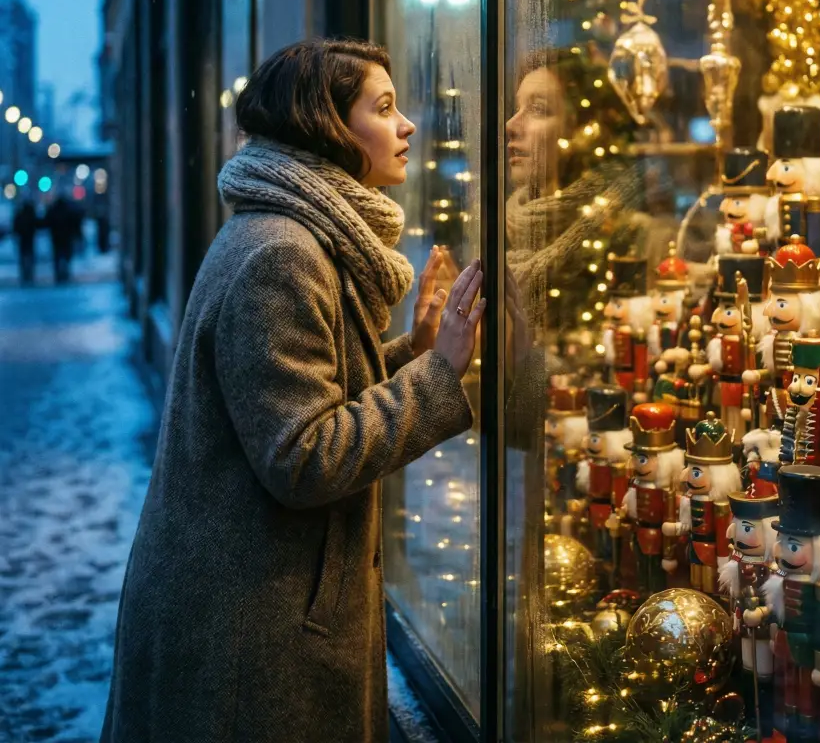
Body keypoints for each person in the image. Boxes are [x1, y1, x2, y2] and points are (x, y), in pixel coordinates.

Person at [101, 38, 483, 743]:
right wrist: (439, 375)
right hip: (253, 635)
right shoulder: (283, 252)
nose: (407, 127)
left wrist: (417, 356)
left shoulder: (295, 234)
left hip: (264, 608)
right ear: (329, 128)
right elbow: (303, 456)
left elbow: (308, 399)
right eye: (385, 108)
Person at [44, 193, 77, 283]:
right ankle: (65, 274)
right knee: (66, 256)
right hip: (67, 238)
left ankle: (58, 275)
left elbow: (46, 222)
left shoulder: (53, 210)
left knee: (57, 257)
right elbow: (74, 223)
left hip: (56, 238)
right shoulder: (68, 211)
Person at [12, 198, 38, 284]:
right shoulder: (32, 215)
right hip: (29, 239)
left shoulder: (20, 215)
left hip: (23, 239)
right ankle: (29, 273)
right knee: (29, 255)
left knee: (23, 256)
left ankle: (25, 274)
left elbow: (15, 227)